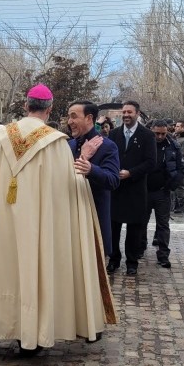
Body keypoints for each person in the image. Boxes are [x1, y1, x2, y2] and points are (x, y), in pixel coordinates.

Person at [0, 83, 115, 355]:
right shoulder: (55, 142)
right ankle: (30, 338)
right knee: (34, 269)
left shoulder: (0, 137)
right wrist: (84, 158)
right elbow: (68, 190)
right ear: (50, 109)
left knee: (0, 269)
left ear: (25, 106)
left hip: (2, 221)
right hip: (38, 226)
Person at [108, 100, 157, 275]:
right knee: (113, 227)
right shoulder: (113, 134)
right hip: (116, 189)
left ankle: (132, 262)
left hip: (136, 189)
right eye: (124, 112)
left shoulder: (147, 135)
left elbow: (151, 163)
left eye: (130, 112)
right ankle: (113, 259)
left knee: (134, 229)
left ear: (137, 113)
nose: (126, 115)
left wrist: (131, 172)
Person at [66, 100, 120, 256]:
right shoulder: (68, 145)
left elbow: (113, 180)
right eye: (69, 117)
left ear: (89, 118)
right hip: (70, 220)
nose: (70, 122)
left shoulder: (107, 146)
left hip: (93, 220)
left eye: (74, 116)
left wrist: (91, 169)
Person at [141, 119, 183, 267]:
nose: (159, 137)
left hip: (162, 191)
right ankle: (140, 247)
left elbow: (179, 167)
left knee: (163, 225)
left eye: (163, 134)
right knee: (141, 222)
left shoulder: (173, 146)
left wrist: (173, 184)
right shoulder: (143, 143)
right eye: (156, 133)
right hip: (144, 190)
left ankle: (163, 255)